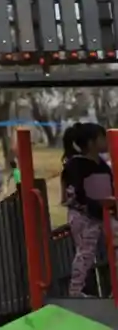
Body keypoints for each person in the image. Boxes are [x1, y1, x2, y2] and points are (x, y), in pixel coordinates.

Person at [61, 122, 115, 297]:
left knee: (114, 245)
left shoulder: (102, 165)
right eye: (102, 138)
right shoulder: (76, 165)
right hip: (83, 216)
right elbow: (75, 193)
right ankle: (76, 290)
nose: (107, 141)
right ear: (91, 143)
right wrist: (96, 203)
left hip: (103, 213)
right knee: (86, 252)